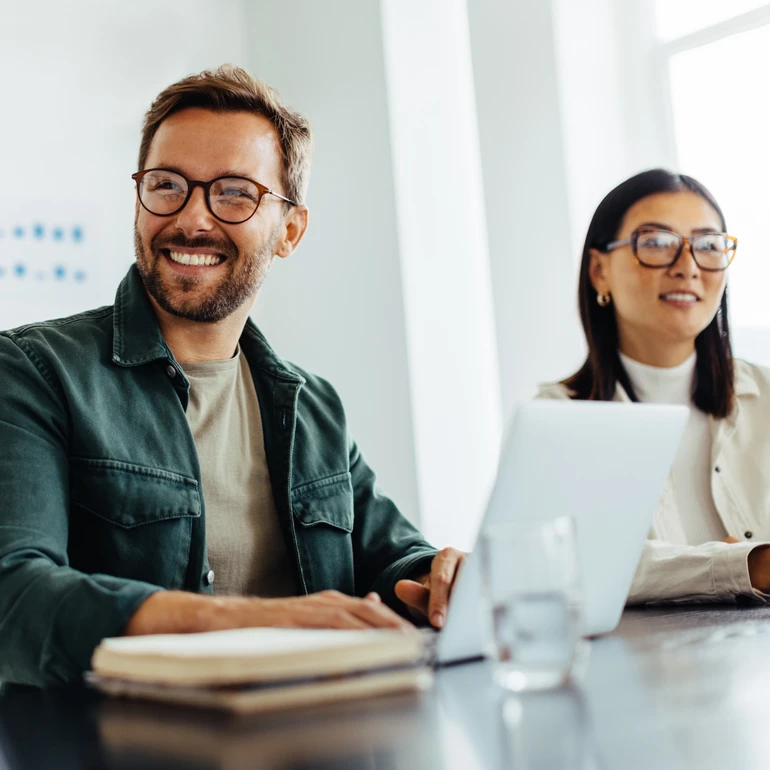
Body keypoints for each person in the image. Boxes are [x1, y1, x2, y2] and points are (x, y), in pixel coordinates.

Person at [0, 66, 463, 687]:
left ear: (289, 231)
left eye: (234, 193)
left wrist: (441, 578)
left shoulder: (312, 405)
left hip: (317, 726)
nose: (192, 218)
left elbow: (392, 559)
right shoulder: (32, 371)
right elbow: (15, 596)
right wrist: (245, 622)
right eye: (167, 185)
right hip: (121, 734)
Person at [538, 168, 770, 604]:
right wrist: (747, 565)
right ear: (599, 271)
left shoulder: (766, 396)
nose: (687, 267)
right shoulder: (556, 420)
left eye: (708, 245)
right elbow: (572, 566)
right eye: (657, 242)